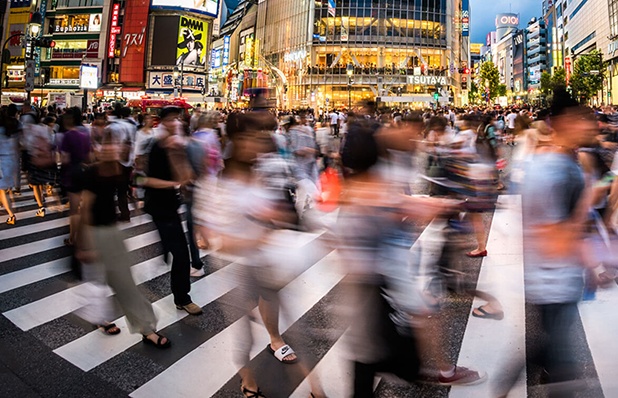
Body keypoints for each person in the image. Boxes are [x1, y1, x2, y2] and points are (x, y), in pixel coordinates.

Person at [494, 89, 599, 397]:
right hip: (551, 277)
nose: (590, 125)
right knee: (560, 361)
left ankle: (507, 385)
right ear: (564, 122)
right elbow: (555, 238)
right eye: (582, 118)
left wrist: (588, 263)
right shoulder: (554, 169)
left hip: (556, 276)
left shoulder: (565, 162)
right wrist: (587, 201)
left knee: (550, 349)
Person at [76, 133, 170, 349]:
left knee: (124, 282)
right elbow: (85, 209)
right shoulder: (92, 172)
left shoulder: (120, 169)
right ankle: (102, 318)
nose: (110, 149)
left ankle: (147, 328)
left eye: (114, 144)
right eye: (105, 144)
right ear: (99, 148)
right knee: (99, 282)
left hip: (112, 233)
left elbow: (130, 186)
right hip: (94, 233)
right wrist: (85, 244)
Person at [140, 106, 202, 316]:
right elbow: (143, 179)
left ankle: (166, 250)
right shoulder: (156, 146)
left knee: (176, 249)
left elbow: (185, 174)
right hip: (159, 206)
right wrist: (174, 183)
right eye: (173, 119)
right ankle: (182, 298)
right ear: (164, 122)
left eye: (178, 119)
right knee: (182, 254)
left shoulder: (175, 145)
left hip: (170, 205)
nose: (177, 123)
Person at [60, 107, 92, 247]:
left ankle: (73, 238)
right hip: (85, 172)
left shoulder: (68, 135)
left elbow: (65, 159)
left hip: (72, 172)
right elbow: (90, 156)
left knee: (74, 209)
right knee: (84, 208)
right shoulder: (85, 133)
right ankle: (85, 237)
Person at [0, 107, 18, 225]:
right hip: (10, 161)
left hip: (1, 162)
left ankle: (11, 214)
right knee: (3, 190)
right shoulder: (10, 130)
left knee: (2, 191)